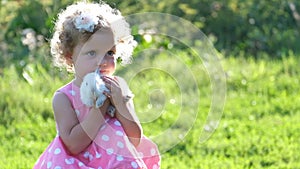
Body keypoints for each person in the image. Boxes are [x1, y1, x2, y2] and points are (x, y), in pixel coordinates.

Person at [33, 1, 160, 169]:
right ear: (70, 57)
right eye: (91, 53)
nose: (102, 61)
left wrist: (120, 103)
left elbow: (135, 138)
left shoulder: (118, 89)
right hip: (76, 163)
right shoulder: (64, 97)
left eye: (110, 53)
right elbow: (73, 145)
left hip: (116, 161)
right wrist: (101, 106)